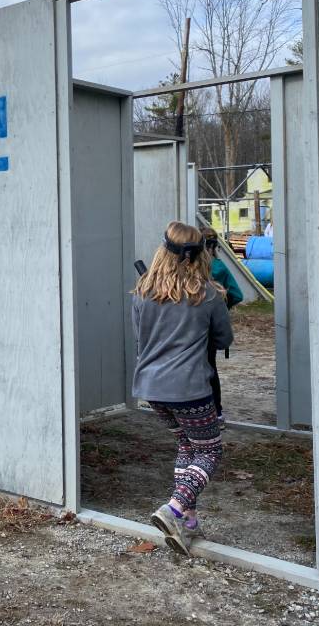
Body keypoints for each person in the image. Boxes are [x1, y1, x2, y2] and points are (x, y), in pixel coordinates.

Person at [132, 221, 233, 555]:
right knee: (210, 450)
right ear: (201, 254)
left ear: (163, 250)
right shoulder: (208, 295)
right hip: (190, 389)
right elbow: (223, 339)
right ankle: (174, 508)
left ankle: (186, 522)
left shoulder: (143, 291)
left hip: (152, 388)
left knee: (188, 446)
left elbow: (141, 338)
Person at [201, 226, 243, 429]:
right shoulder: (219, 267)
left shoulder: (188, 267)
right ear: (214, 246)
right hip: (210, 328)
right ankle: (217, 413)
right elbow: (237, 294)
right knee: (211, 368)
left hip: (190, 327)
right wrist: (222, 309)